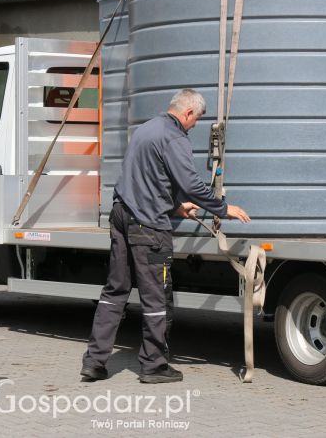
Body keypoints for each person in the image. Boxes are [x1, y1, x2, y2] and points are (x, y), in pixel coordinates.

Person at [81, 89, 250, 384]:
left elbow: (142, 177)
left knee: (115, 292)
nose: (195, 125)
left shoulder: (145, 129)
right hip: (147, 226)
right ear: (187, 113)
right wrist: (223, 208)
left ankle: (94, 363)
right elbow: (192, 184)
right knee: (156, 297)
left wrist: (174, 206)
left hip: (121, 215)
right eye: (196, 119)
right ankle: (154, 366)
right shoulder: (174, 138)